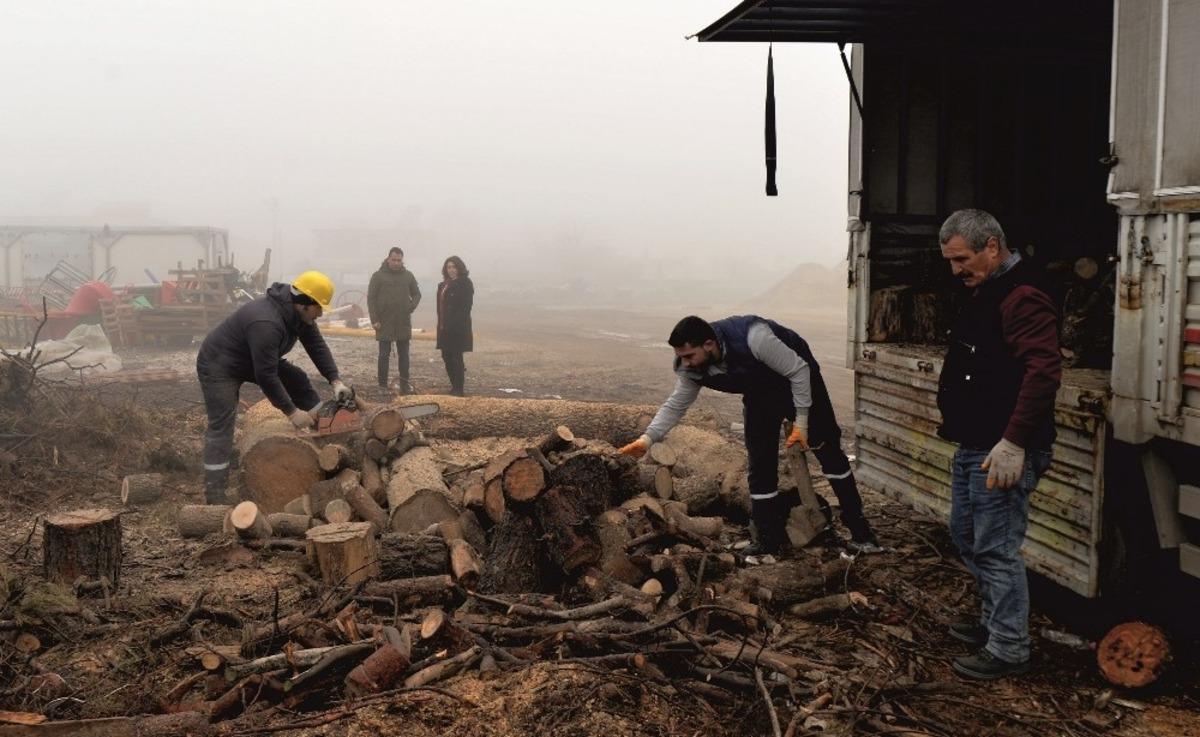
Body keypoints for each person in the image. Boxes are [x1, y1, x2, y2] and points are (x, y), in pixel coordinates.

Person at [619, 315, 879, 555]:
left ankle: (862, 534)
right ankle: (768, 541)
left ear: (709, 344)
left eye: (689, 355)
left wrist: (801, 423)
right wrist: (647, 439)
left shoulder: (756, 338)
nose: (685, 362)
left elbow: (799, 371)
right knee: (760, 463)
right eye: (681, 356)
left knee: (829, 454)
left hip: (799, 380)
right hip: (759, 392)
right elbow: (676, 405)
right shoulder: (691, 368)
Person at [936, 209, 1061, 680]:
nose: (956, 270)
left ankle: (1009, 648)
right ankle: (993, 623)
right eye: (950, 261)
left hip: (1001, 448)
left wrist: (1014, 442)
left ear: (992, 246)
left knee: (995, 548)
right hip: (977, 443)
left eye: (962, 259)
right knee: (967, 536)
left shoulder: (1022, 295)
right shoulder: (989, 289)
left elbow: (1043, 372)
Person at [196, 272, 350, 504]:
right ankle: (215, 493)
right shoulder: (267, 323)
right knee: (222, 425)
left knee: (296, 378)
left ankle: (324, 426)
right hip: (219, 365)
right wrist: (292, 412)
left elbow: (316, 346)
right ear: (305, 303)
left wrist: (335, 380)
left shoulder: (299, 315)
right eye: (319, 308)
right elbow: (266, 376)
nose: (320, 314)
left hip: (252, 358)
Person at [367, 246, 422, 393]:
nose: (396, 263)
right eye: (394, 260)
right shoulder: (378, 276)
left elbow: (417, 294)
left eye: (399, 260)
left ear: (402, 260)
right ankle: (382, 386)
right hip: (383, 322)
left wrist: (411, 306)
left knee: (404, 355)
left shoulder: (408, 276)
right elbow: (371, 299)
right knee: (383, 355)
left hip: (403, 321)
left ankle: (404, 385)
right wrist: (374, 319)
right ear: (388, 259)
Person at [436, 256, 474, 396]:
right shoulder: (443, 285)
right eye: (448, 267)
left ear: (459, 268)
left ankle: (458, 389)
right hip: (443, 327)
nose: (451, 270)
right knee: (446, 356)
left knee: (456, 357)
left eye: (454, 267)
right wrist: (442, 325)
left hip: (457, 328)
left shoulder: (465, 284)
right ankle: (453, 386)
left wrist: (454, 324)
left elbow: (465, 307)